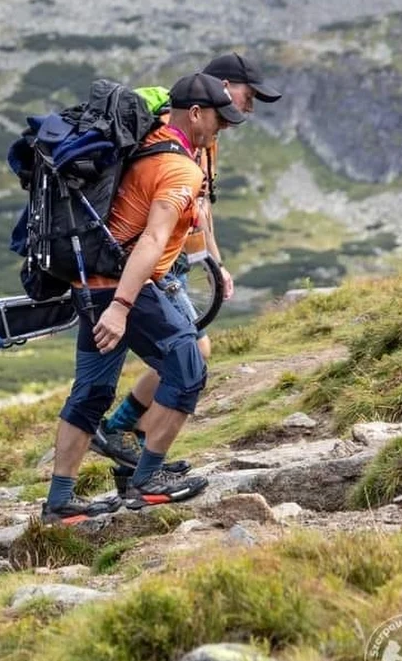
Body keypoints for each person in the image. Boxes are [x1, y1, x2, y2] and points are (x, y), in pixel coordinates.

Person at [43, 73, 244, 525]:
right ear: (195, 114)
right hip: (122, 284)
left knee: (91, 392)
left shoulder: (149, 140)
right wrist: (122, 307)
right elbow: (152, 240)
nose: (223, 130)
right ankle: (147, 480)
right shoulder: (180, 168)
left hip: (89, 281)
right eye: (219, 120)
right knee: (187, 366)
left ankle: (59, 502)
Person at [93, 54, 281, 470]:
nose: (248, 109)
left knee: (188, 352)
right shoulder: (176, 133)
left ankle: (132, 450)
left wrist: (216, 263)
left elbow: (200, 208)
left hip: (169, 259)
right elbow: (164, 209)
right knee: (192, 351)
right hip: (153, 261)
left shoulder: (206, 141)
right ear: (224, 87)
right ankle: (126, 439)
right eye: (248, 97)